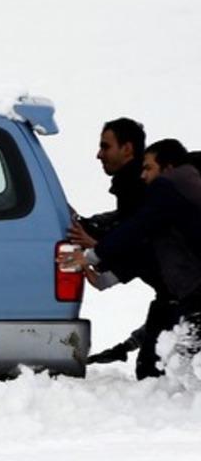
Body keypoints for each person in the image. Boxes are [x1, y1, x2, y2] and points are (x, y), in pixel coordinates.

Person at [62, 139, 201, 377]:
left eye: (148, 168)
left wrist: (92, 256)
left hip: (196, 296)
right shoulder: (188, 192)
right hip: (191, 296)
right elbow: (148, 249)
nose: (143, 176)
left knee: (178, 366)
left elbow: (137, 228)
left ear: (167, 168)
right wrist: (109, 277)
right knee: (176, 362)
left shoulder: (169, 186)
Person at [66, 118, 156, 368]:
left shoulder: (139, 187)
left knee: (155, 371)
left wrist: (98, 250)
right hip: (177, 297)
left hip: (186, 295)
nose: (98, 154)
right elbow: (124, 225)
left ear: (127, 149)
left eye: (105, 147)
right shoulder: (133, 187)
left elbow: (147, 246)